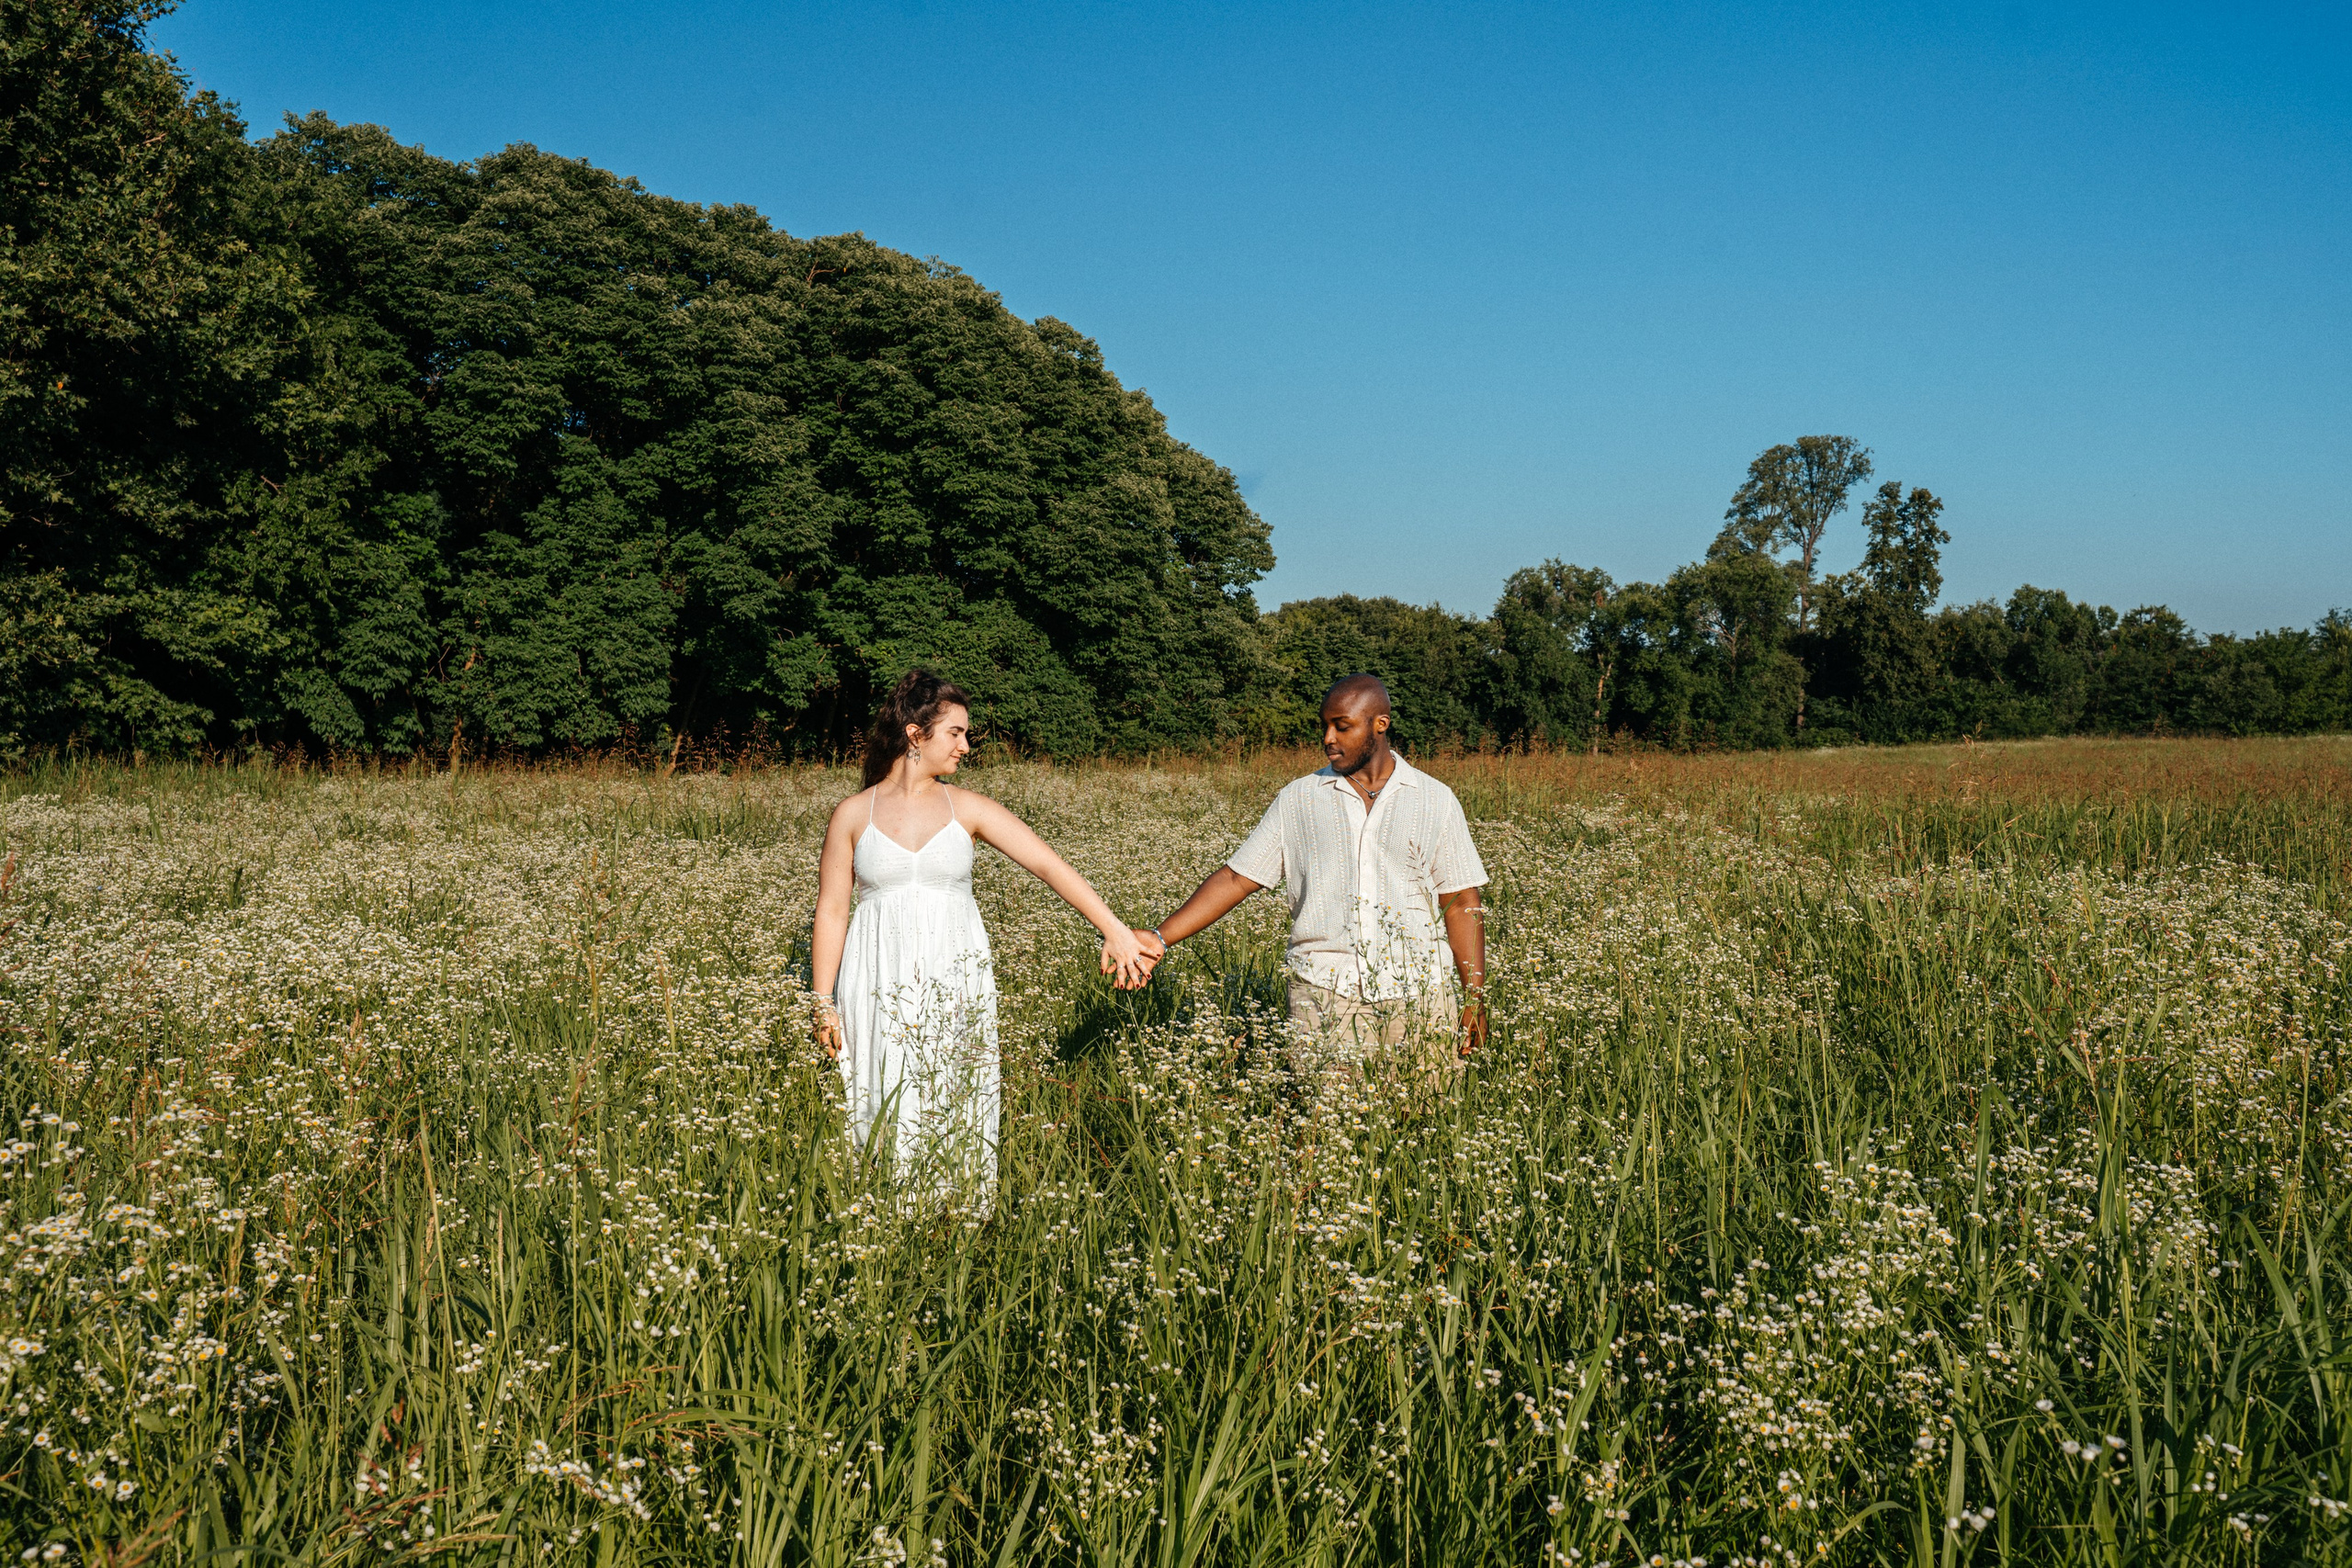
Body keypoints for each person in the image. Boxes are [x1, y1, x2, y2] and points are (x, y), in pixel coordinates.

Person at [811, 670, 1161, 1188]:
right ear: (915, 733)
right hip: (875, 979)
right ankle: (884, 1222)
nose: (966, 746)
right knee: (882, 1092)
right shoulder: (851, 814)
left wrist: (1114, 929)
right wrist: (823, 1002)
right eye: (955, 732)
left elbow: (1049, 865)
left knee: (954, 1089)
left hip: (955, 978)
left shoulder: (968, 808)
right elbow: (832, 912)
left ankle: (956, 1219)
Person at [1120, 674, 1487, 1089]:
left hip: (1421, 998)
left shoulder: (1434, 799)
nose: (1329, 738)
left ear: (1380, 724)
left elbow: (1460, 902)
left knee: (1427, 1125)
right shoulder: (1299, 799)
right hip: (1325, 997)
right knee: (1326, 1129)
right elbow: (1237, 877)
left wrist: (1474, 999)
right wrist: (1160, 937)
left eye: (1342, 726)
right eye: (1324, 726)